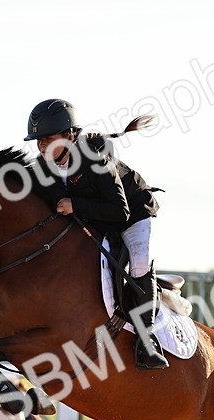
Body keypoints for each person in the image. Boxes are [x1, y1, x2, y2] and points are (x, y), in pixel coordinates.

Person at [23, 98, 169, 370]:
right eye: (38, 141)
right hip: (96, 217)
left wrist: (75, 205)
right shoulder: (42, 168)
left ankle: (147, 340)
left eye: (47, 139)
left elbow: (120, 213)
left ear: (69, 136)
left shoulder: (96, 160)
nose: (41, 147)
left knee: (137, 263)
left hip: (133, 213)